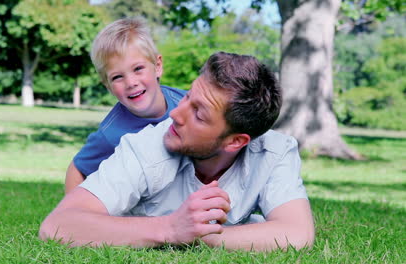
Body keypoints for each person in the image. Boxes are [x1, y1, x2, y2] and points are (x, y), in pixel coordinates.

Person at [40, 52, 315, 251]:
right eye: (187, 97)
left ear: (235, 142)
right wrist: (170, 228)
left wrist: (198, 234)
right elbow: (58, 225)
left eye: (199, 114)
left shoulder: (275, 152)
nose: (175, 113)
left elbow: (297, 233)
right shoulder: (146, 147)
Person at [65, 17, 187, 193]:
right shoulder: (111, 133)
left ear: (157, 66)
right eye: (117, 77)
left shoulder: (187, 103)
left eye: (138, 69)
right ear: (107, 85)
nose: (131, 82)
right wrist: (72, 214)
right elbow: (77, 169)